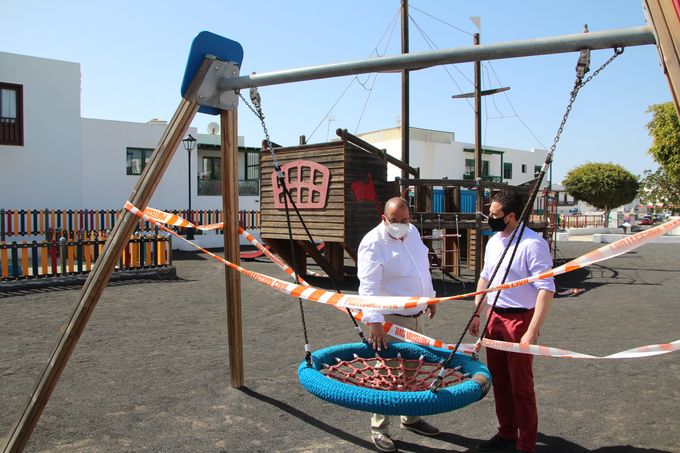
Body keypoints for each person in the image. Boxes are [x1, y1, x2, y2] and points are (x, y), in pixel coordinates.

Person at [470, 189, 555, 453]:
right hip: (494, 316)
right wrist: (477, 312)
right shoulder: (493, 241)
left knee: (522, 387)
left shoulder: (533, 244)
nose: (489, 218)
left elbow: (546, 289)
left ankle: (526, 444)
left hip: (520, 319)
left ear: (511, 216)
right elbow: (485, 277)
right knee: (500, 380)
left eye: (494, 214)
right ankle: (507, 431)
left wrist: (532, 330)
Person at [357, 196, 440, 453]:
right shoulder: (373, 243)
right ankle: (379, 429)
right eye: (394, 220)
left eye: (404, 220)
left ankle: (410, 416)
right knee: (387, 374)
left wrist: (430, 297)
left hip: (415, 315)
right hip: (389, 320)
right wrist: (374, 321)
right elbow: (368, 286)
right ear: (384, 218)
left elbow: (422, 268)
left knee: (414, 368)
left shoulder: (412, 232)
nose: (400, 225)